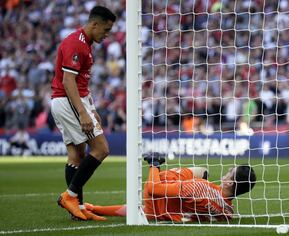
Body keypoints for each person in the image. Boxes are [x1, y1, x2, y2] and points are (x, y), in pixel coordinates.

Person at [50, 6, 116, 221]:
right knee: (101, 149)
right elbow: (68, 81)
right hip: (67, 101)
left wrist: (92, 109)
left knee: (76, 156)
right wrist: (83, 113)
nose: (106, 35)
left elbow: (81, 82)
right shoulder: (76, 43)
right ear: (94, 24)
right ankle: (70, 197)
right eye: (105, 30)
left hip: (70, 101)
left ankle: (77, 209)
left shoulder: (85, 43)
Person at [84, 153, 257, 222]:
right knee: (146, 211)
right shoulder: (228, 212)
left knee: (200, 171)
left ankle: (155, 162)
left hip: (161, 190)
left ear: (230, 183)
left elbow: (153, 189)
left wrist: (154, 165)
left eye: (230, 172)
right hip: (166, 212)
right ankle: (93, 208)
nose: (226, 172)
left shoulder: (198, 187)